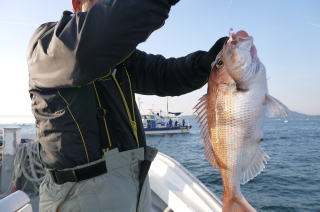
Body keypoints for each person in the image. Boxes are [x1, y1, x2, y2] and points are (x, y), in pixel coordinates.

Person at [27, 0, 228, 211]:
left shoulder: (122, 59)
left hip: (135, 186)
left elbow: (164, 75)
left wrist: (207, 64)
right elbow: (101, 36)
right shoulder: (47, 42)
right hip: (78, 196)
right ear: (79, 4)